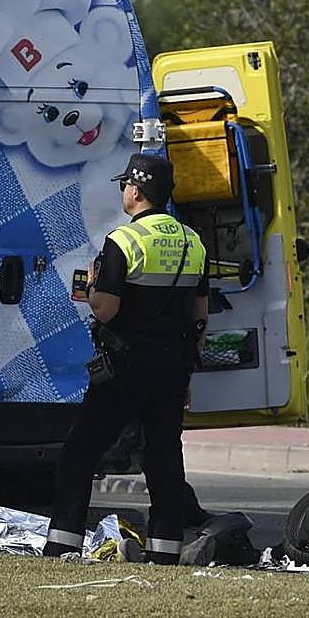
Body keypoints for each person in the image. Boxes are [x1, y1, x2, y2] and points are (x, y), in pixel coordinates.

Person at [44, 153, 209, 564]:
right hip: (172, 367)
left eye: (125, 186)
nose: (123, 192)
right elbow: (200, 316)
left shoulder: (124, 241)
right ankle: (165, 550)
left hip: (125, 366)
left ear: (135, 190)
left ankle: (63, 542)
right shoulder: (194, 242)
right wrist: (187, 369)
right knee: (164, 458)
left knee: (81, 450)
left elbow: (105, 309)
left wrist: (94, 285)